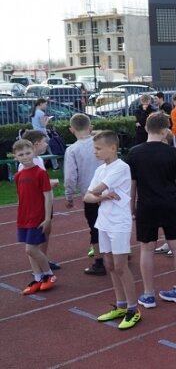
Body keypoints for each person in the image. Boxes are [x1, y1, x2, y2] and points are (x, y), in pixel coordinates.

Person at [128, 112, 176, 309]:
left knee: (147, 249)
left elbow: (133, 184)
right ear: (165, 132)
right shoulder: (172, 153)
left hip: (146, 205)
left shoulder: (135, 152)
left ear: (146, 128)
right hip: (169, 204)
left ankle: (148, 294)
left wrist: (131, 208)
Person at [84, 131, 140, 329]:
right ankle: (121, 304)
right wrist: (103, 197)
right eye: (95, 148)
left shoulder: (121, 167)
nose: (95, 152)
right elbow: (88, 196)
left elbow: (96, 190)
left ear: (113, 148)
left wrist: (98, 194)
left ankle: (133, 309)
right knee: (108, 264)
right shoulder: (101, 169)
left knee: (120, 265)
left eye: (98, 148)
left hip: (119, 223)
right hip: (104, 221)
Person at [64, 113, 105, 276]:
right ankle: (119, 253)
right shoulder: (101, 144)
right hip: (108, 190)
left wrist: (69, 196)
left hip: (90, 193)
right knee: (110, 223)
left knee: (95, 227)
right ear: (91, 127)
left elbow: (70, 176)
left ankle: (99, 261)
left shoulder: (72, 149)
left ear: (71, 129)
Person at [14, 139, 56, 295]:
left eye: (27, 153)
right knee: (31, 250)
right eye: (21, 154)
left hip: (37, 217)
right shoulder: (18, 176)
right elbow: (21, 198)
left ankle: (49, 274)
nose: (25, 157)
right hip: (24, 217)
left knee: (30, 249)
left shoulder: (40, 173)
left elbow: (47, 196)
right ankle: (38, 278)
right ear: (15, 157)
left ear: (33, 152)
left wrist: (47, 218)